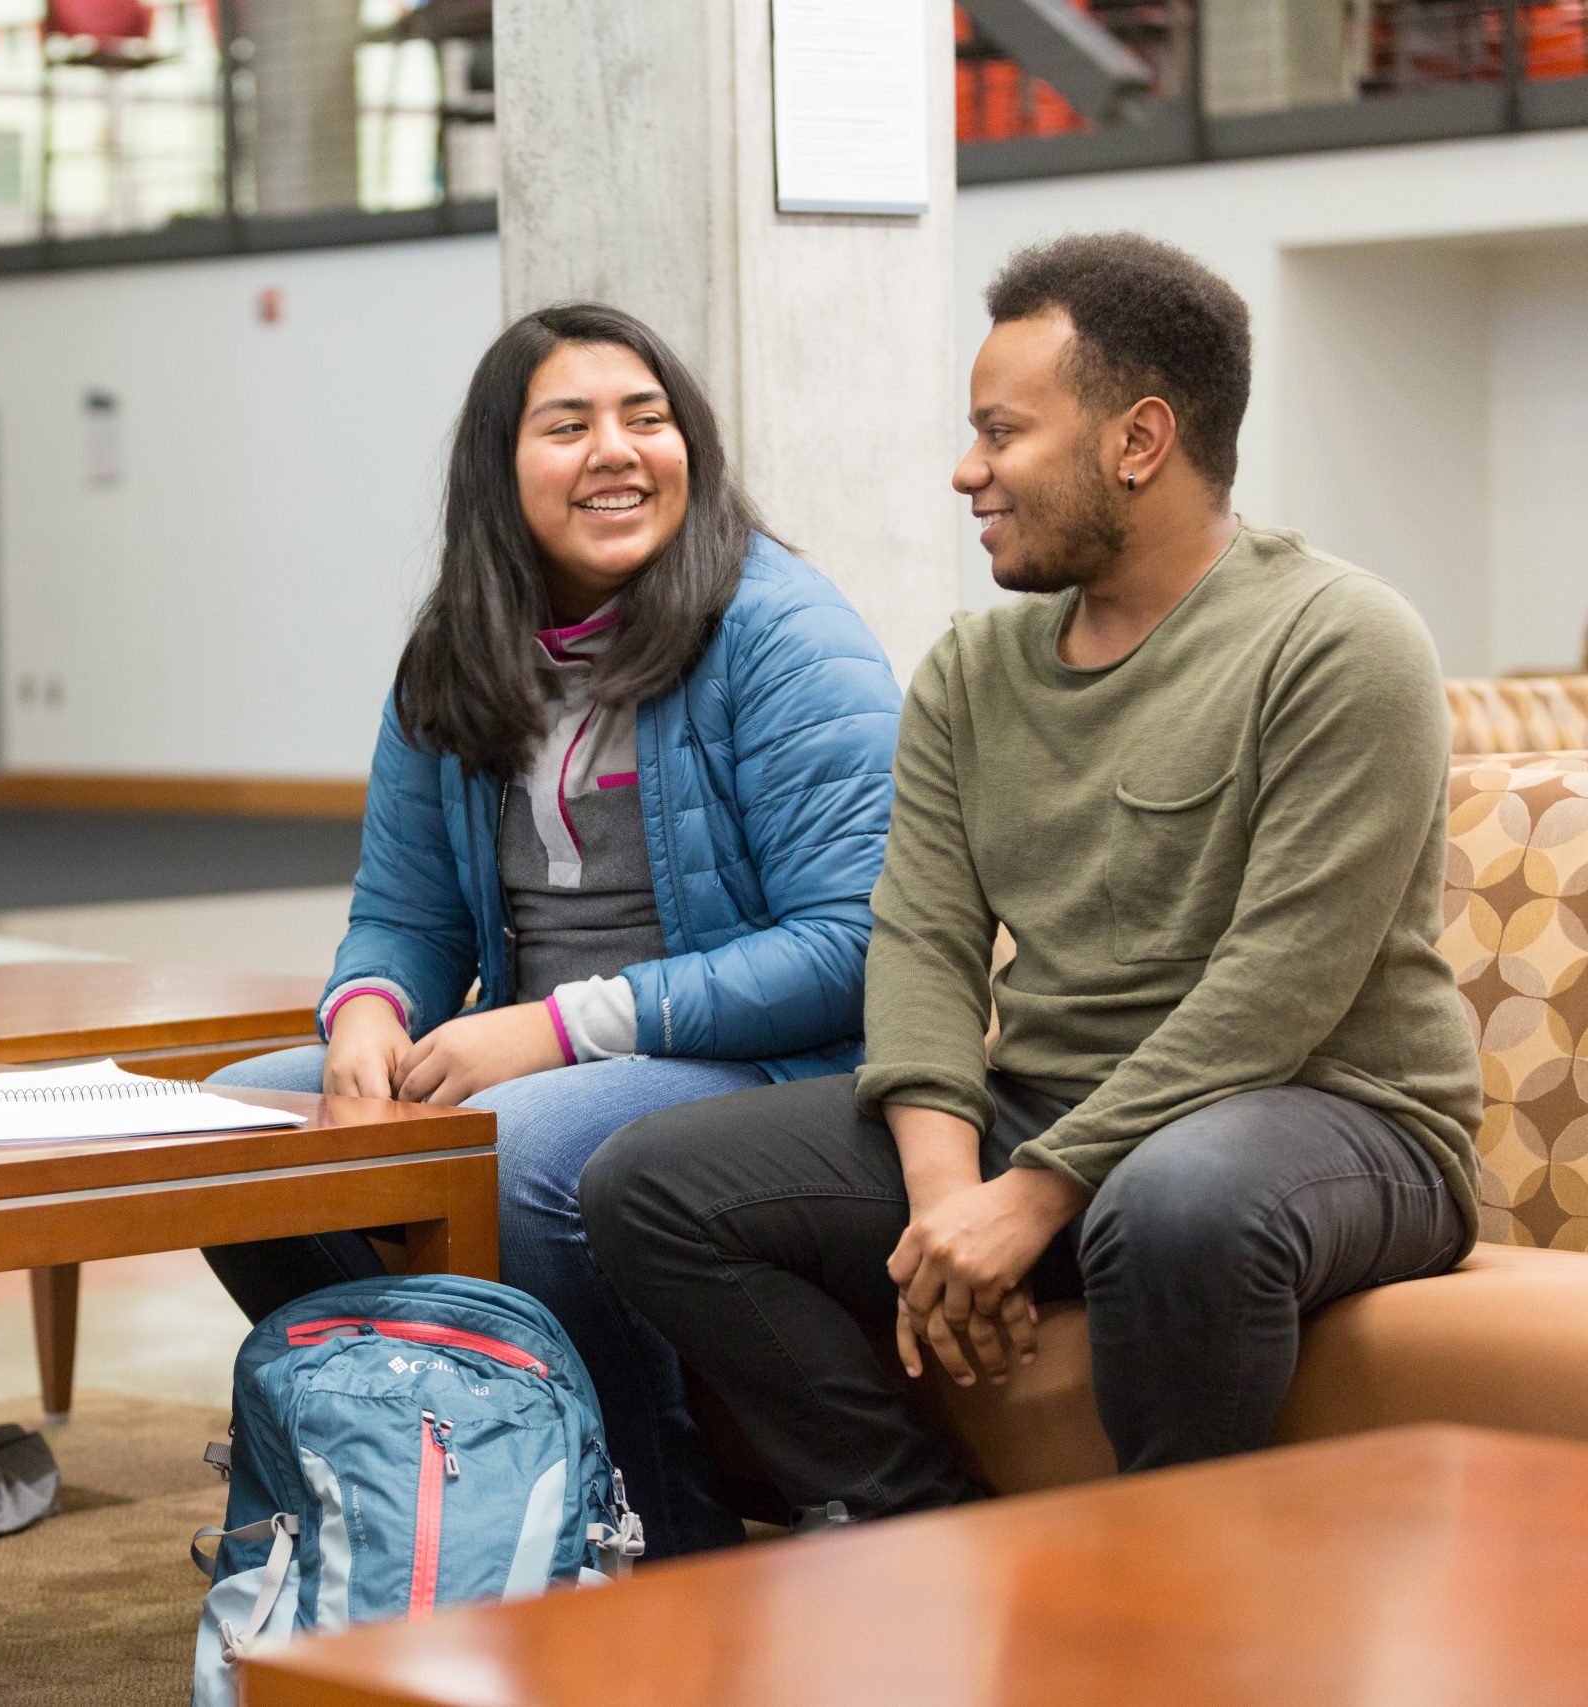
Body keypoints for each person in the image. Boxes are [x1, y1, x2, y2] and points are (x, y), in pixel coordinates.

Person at [583, 233, 1483, 1529]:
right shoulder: (974, 667)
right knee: (651, 1183)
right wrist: (952, 1196)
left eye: (1002, 432)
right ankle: (925, 1534)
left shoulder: (1341, 641)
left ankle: (1175, 1602)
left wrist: (1037, 1193)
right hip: (1054, 1105)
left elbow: (1277, 989)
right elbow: (924, 947)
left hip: (1332, 1114)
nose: (968, 470)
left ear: (1139, 439)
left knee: (1179, 1202)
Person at [202, 302, 902, 1558]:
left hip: (766, 1061)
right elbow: (404, 913)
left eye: (649, 418)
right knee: (247, 1124)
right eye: (567, 424)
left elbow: (852, 940)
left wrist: (561, 1028)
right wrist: (367, 1006)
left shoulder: (783, 635)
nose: (618, 450)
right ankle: (453, 1464)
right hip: (541, 1042)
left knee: (520, 1151)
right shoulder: (457, 653)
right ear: (498, 467)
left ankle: (652, 1526)